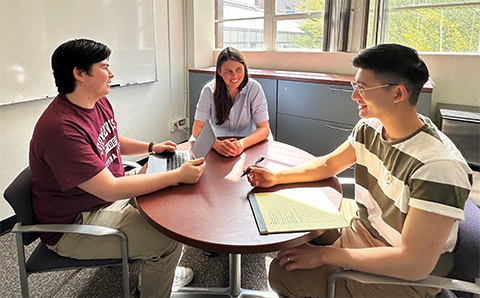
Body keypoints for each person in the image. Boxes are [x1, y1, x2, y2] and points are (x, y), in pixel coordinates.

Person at [246, 43, 473, 298]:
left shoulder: (437, 167)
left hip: (401, 276)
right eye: (355, 86)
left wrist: (325, 255)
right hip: (363, 230)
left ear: (398, 94)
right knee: (289, 218)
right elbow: (329, 164)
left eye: (362, 88)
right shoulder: (371, 127)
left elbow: (414, 263)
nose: (354, 96)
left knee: (282, 272)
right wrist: (276, 177)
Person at [29, 39, 206, 298]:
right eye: (104, 67)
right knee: (167, 241)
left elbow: (111, 138)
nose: (111, 73)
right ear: (79, 73)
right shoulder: (61, 130)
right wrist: (177, 174)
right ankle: (158, 269)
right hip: (77, 222)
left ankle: (157, 271)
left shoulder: (95, 101)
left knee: (167, 191)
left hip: (102, 192)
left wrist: (152, 147)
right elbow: (110, 190)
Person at [192, 46, 270, 157]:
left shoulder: (254, 88)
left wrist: (241, 144)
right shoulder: (209, 90)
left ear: (245, 68)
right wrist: (216, 144)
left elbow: (263, 128)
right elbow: (197, 128)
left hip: (248, 143)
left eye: (239, 69)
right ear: (219, 72)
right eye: (229, 71)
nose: (235, 76)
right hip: (217, 143)